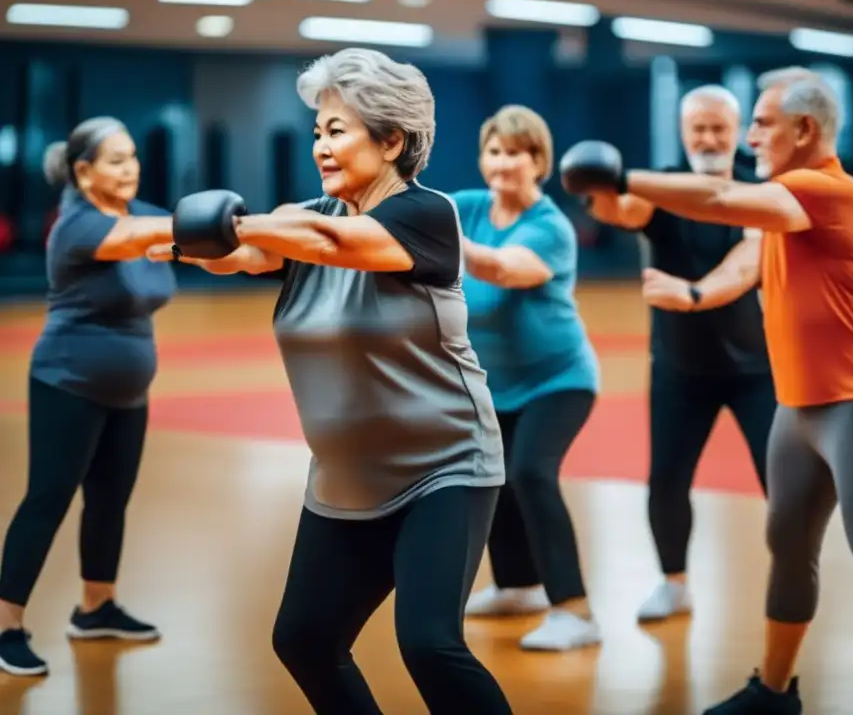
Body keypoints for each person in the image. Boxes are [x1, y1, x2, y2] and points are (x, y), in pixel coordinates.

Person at [558, 67, 853, 715]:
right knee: (787, 550)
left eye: (762, 122)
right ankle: (775, 693)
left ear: (805, 129)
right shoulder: (781, 197)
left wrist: (622, 177)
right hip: (796, 409)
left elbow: (721, 203)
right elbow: (728, 226)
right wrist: (616, 203)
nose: (750, 136)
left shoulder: (828, 191)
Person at [148, 47, 512, 715]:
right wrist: (174, 237)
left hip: (446, 468)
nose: (320, 145)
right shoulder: (306, 218)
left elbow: (334, 244)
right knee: (306, 638)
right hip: (346, 480)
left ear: (392, 139)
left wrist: (234, 225)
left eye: (336, 130)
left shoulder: (427, 218)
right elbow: (246, 255)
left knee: (430, 643)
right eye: (316, 131)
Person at [583, 85, 773, 623]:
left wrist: (692, 295)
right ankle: (673, 583)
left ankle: (791, 574)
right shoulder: (662, 186)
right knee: (666, 478)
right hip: (679, 368)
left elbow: (748, 261)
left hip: (756, 369)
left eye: (719, 129)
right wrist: (595, 189)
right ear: (683, 131)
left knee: (782, 482)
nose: (710, 139)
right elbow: (621, 211)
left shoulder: (758, 190)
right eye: (699, 129)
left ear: (736, 131)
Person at [0, 117, 177, 677]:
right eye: (115, 160)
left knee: (110, 500)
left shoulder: (147, 215)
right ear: (83, 171)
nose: (129, 169)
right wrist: (203, 224)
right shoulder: (75, 225)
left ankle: (96, 607)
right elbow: (137, 242)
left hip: (129, 390)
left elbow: (196, 249)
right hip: (67, 381)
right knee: (47, 499)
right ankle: (5, 625)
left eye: (132, 157)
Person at [454, 105, 601, 652]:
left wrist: (444, 240)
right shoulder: (466, 208)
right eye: (494, 150)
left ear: (538, 161)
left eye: (516, 152)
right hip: (496, 385)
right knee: (493, 477)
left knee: (532, 474)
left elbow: (502, 269)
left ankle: (576, 612)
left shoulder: (551, 227)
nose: (503, 162)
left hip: (558, 380)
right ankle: (517, 587)